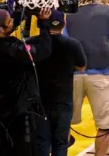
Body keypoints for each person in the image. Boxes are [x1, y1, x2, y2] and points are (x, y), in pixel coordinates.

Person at [0, 8, 52, 156]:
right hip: (19, 109)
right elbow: (43, 49)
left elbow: (9, 29)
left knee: (5, 146)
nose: (13, 22)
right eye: (9, 21)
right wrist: (44, 23)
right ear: (1, 29)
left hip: (2, 106)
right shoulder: (11, 50)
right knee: (23, 148)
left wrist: (23, 9)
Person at [66, 0, 109, 156]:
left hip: (73, 74)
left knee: (63, 122)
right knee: (106, 124)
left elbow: (64, 45)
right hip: (101, 73)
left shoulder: (68, 15)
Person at [36, 10, 87, 156]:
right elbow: (82, 67)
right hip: (63, 101)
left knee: (42, 142)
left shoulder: (34, 42)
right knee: (61, 142)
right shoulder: (72, 44)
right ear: (64, 24)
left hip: (41, 101)